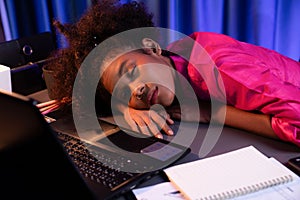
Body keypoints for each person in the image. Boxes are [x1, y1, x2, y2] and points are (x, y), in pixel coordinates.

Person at [42, 0, 300, 147]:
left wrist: (211, 113)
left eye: (130, 71)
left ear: (152, 48)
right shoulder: (169, 64)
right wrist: (126, 107)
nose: (136, 90)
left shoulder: (218, 68)